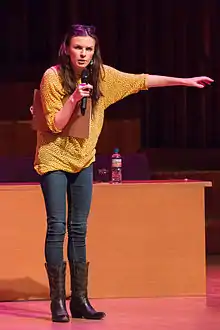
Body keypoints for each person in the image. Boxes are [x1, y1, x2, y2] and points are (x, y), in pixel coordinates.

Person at [33, 24, 213, 323]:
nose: (83, 53)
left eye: (88, 49)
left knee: (79, 229)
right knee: (57, 227)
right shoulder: (53, 77)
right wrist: (75, 97)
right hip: (54, 158)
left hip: (83, 159)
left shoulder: (102, 76)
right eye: (78, 47)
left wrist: (184, 81)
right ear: (66, 48)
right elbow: (54, 124)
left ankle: (79, 300)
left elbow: (141, 80)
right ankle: (58, 304)